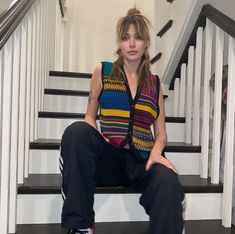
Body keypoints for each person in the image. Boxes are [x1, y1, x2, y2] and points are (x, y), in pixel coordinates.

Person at [60, 8, 184, 234]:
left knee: (169, 183)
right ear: (119, 43)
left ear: (146, 43)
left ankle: (173, 211)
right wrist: (86, 144)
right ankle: (80, 226)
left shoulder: (155, 84)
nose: (132, 43)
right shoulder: (103, 71)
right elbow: (90, 115)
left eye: (138, 37)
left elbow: (161, 133)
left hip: (143, 158)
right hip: (110, 156)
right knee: (76, 133)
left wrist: (157, 152)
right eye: (126, 38)